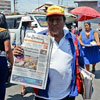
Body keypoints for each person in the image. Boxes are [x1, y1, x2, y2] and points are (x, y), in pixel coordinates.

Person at [14, 5, 84, 100]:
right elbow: (25, 59)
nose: (54, 23)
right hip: (43, 95)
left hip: (67, 94)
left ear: (64, 21)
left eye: (58, 19)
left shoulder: (73, 39)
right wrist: (18, 53)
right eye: (51, 20)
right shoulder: (38, 39)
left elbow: (80, 63)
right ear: (47, 22)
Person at [13, 16, 36, 96]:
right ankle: (34, 87)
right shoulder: (32, 32)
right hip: (29, 54)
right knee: (31, 70)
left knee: (21, 71)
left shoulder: (17, 31)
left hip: (19, 54)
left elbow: (13, 43)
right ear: (29, 23)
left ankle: (23, 89)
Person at [0, 13, 13, 100]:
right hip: (1, 60)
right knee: (1, 84)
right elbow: (8, 50)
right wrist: (13, 63)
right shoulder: (4, 32)